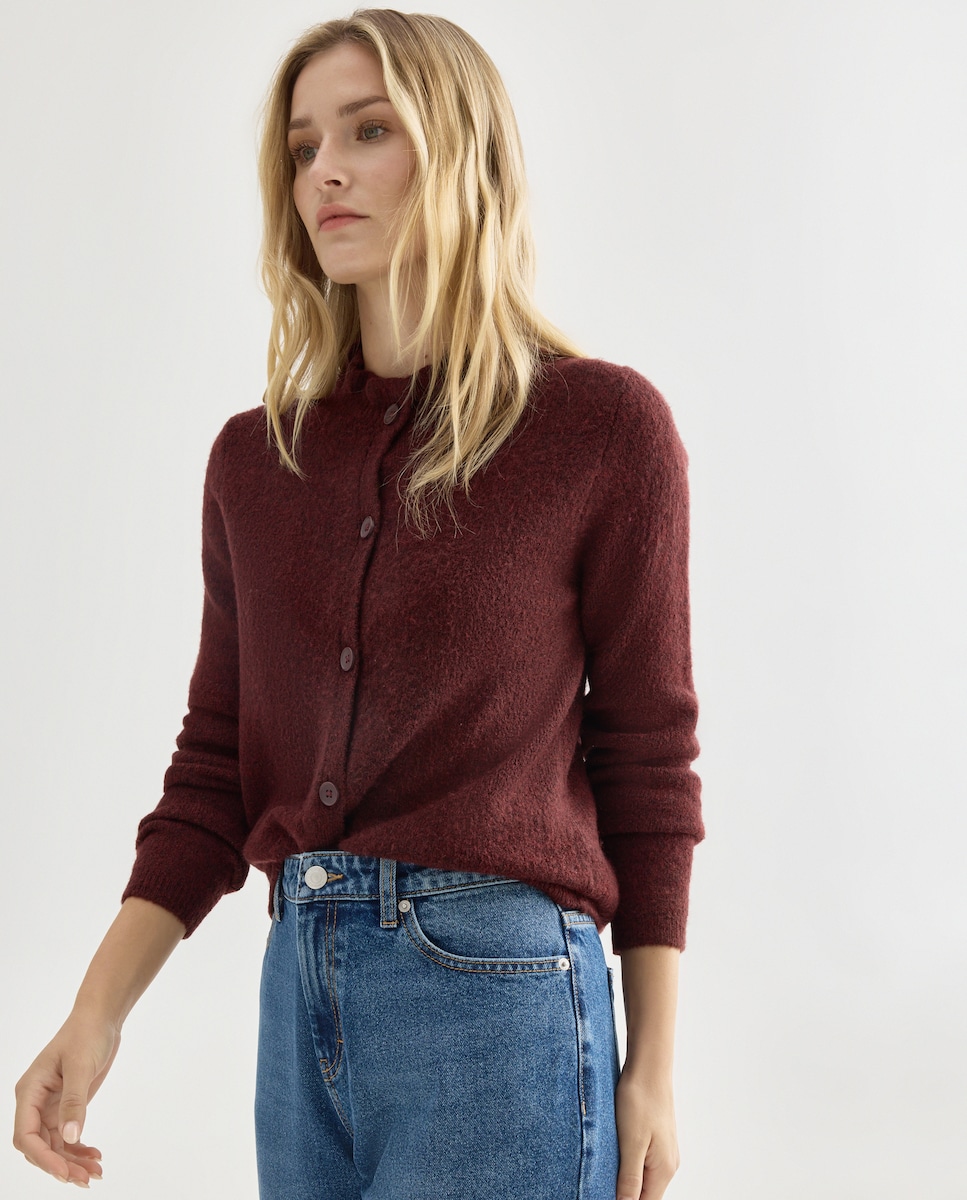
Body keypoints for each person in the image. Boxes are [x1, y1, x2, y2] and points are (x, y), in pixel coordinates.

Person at [13, 9, 703, 1199]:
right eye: (302, 146)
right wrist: (95, 1013)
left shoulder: (600, 430)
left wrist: (653, 1067)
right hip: (301, 997)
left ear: (461, 152)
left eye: (368, 130)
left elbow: (647, 760)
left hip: (500, 1004)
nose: (323, 170)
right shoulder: (255, 461)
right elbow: (215, 770)